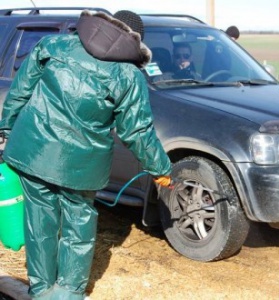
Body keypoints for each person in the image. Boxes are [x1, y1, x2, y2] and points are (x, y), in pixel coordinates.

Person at [0, 10, 172, 300]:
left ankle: (41, 289)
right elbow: (137, 131)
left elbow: (21, 91)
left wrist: (6, 126)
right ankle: (67, 291)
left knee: (39, 220)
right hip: (80, 167)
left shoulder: (53, 46)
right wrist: (161, 169)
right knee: (77, 226)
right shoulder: (128, 75)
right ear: (135, 40)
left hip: (33, 151)